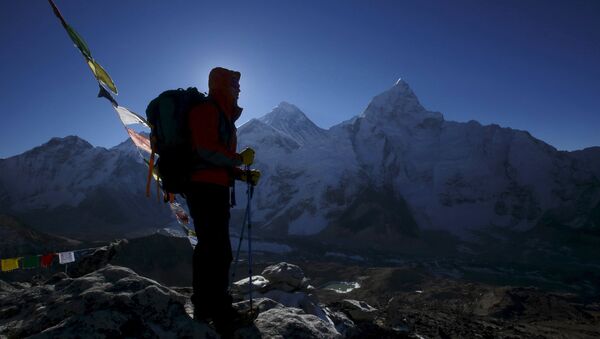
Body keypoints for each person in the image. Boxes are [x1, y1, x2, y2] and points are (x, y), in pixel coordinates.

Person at [185, 67, 260, 335]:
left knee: (212, 249)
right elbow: (205, 151)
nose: (238, 89)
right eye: (234, 84)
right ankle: (219, 311)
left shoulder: (223, 115)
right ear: (221, 86)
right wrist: (239, 160)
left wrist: (241, 175)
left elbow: (215, 159)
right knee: (215, 251)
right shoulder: (207, 111)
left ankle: (207, 306)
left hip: (213, 188)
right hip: (205, 189)